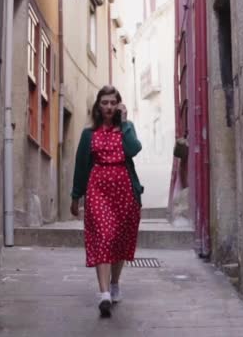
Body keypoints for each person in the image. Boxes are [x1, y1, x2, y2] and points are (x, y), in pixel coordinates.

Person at [70, 85, 144, 318]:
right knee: (104, 236)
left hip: (124, 191)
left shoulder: (126, 128)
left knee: (120, 239)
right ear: (98, 106)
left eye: (113, 102)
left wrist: (124, 123)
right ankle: (104, 294)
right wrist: (75, 196)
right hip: (98, 189)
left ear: (118, 105)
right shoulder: (88, 134)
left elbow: (134, 150)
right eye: (105, 103)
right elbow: (81, 166)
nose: (109, 107)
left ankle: (114, 284)